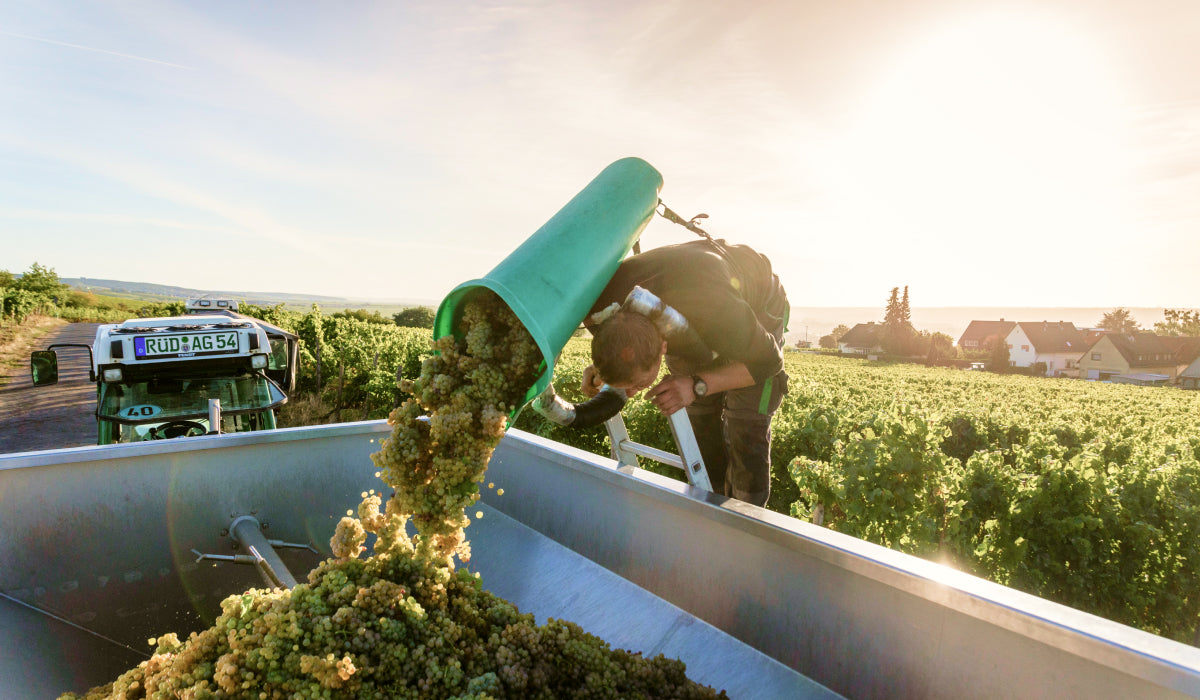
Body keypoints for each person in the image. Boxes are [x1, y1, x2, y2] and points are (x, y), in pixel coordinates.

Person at [581, 237, 789, 507]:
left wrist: (696, 385)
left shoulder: (717, 311)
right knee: (699, 417)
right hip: (691, 300)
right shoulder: (599, 312)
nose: (628, 393)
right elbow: (620, 346)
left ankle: (748, 520)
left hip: (754, 302)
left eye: (638, 384)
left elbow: (770, 362)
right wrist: (607, 370)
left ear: (663, 347)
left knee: (746, 424)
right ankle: (710, 506)